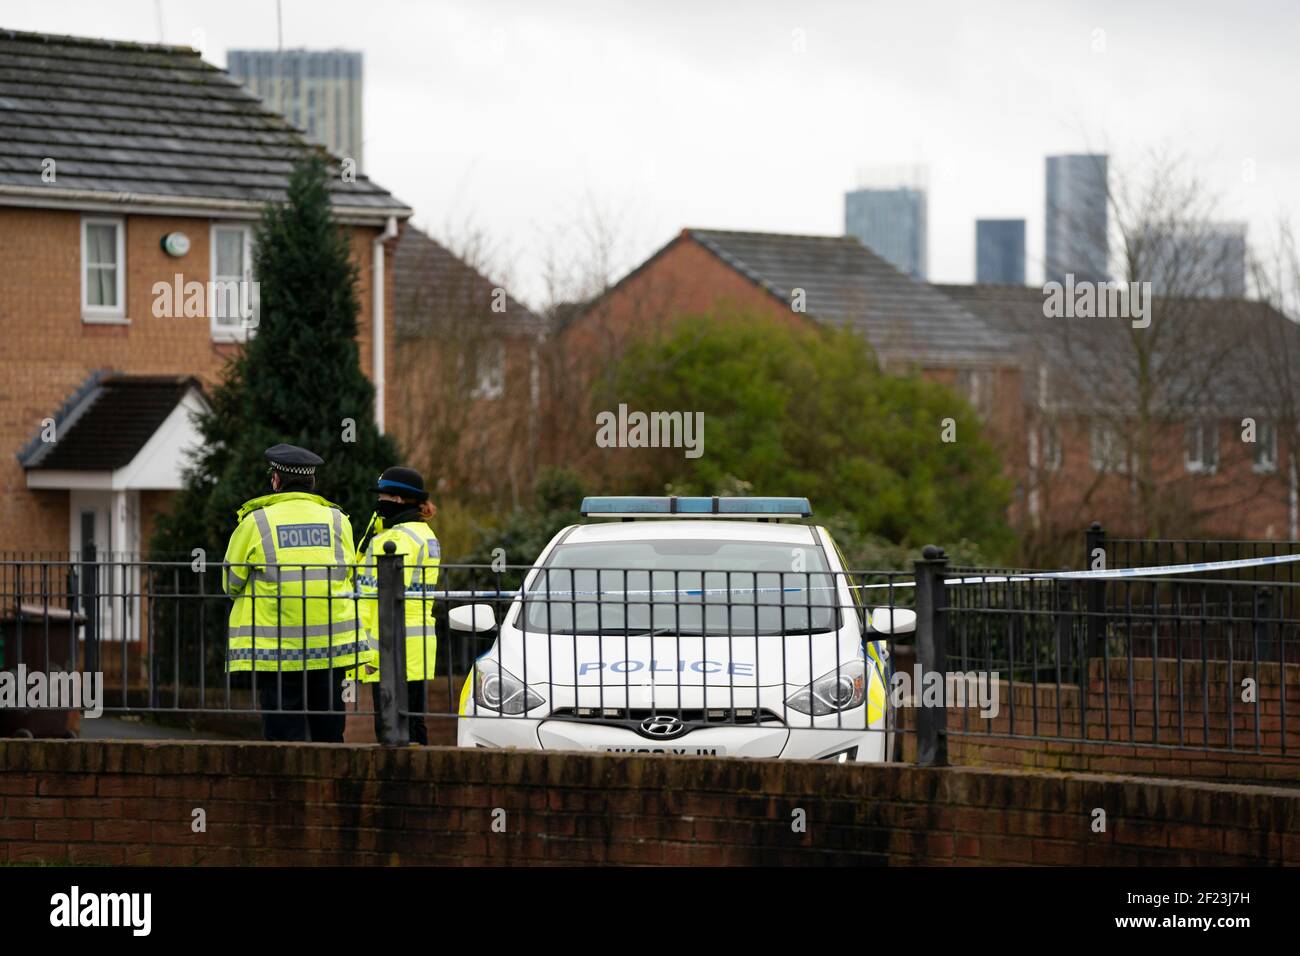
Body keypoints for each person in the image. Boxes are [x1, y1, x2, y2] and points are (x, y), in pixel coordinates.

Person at [222, 444, 367, 742]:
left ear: (276, 480)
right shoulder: (339, 521)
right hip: (330, 648)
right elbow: (348, 572)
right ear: (312, 483)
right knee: (329, 737)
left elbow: (230, 582)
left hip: (277, 651)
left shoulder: (256, 522)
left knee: (282, 738)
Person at [351, 466, 441, 745]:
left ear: (399, 499)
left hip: (387, 648)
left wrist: (362, 649)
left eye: (383, 496)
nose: (379, 503)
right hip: (419, 644)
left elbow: (364, 595)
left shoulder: (389, 541)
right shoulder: (426, 535)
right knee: (415, 724)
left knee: (390, 729)